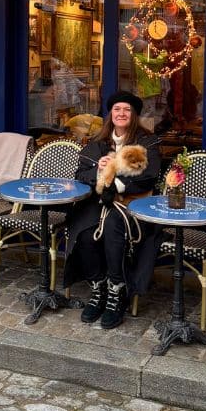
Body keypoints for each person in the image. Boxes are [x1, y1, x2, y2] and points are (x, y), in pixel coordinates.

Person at [63, 90, 161, 329]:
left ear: (134, 115)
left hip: (132, 205)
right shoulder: (97, 143)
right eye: (117, 109)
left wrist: (116, 177)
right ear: (110, 114)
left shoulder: (147, 142)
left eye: (127, 109)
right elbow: (80, 175)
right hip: (97, 203)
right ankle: (99, 288)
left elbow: (149, 177)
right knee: (85, 232)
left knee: (113, 226)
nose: (122, 113)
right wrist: (99, 171)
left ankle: (117, 290)